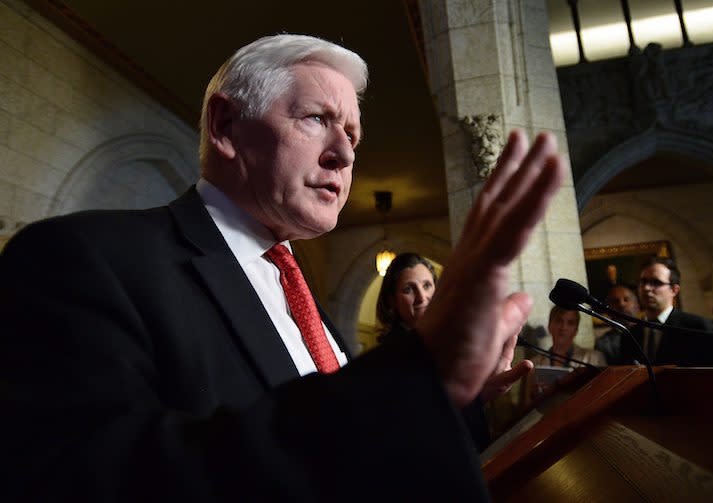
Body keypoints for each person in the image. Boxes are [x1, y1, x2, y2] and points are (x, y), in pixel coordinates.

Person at [0, 34, 567, 501]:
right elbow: (94, 480)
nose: (344, 156)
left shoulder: (310, 305)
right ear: (225, 127)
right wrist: (415, 376)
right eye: (318, 119)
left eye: (353, 135)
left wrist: (452, 395)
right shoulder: (82, 259)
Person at [374, 252, 533, 451]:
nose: (422, 297)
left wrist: (483, 390)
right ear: (391, 301)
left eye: (427, 285)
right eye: (408, 289)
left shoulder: (448, 340)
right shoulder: (391, 355)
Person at [620, 256, 713, 366]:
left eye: (656, 282)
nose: (646, 288)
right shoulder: (629, 335)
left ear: (674, 290)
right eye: (643, 282)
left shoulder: (698, 328)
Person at [531, 306, 606, 368]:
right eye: (559, 321)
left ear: (576, 330)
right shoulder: (535, 363)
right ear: (549, 326)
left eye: (570, 323)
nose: (563, 327)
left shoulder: (594, 359)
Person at [595, 284, 640, 365]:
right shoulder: (603, 344)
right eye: (615, 301)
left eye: (626, 299)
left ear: (637, 305)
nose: (621, 304)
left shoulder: (650, 335)